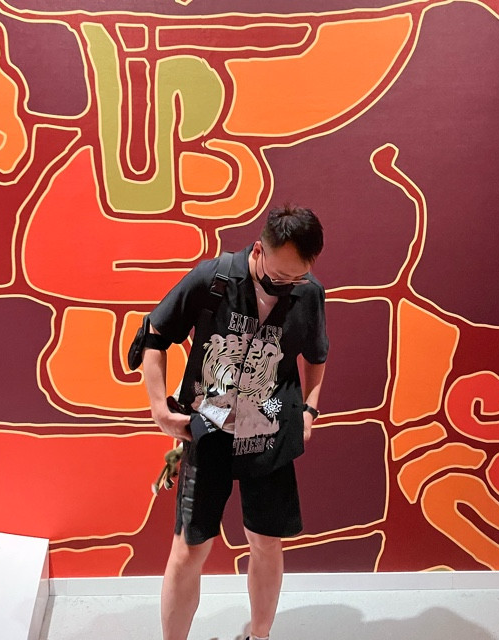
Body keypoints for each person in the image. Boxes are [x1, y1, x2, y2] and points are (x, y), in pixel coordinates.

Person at [141, 205, 328, 640]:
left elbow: (316, 355)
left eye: (297, 277)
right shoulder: (214, 278)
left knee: (265, 541)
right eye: (279, 275)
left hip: (271, 431)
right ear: (259, 250)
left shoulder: (309, 293)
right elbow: (154, 333)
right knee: (189, 548)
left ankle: (259, 635)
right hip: (209, 431)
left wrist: (310, 410)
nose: (286, 284)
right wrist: (159, 409)